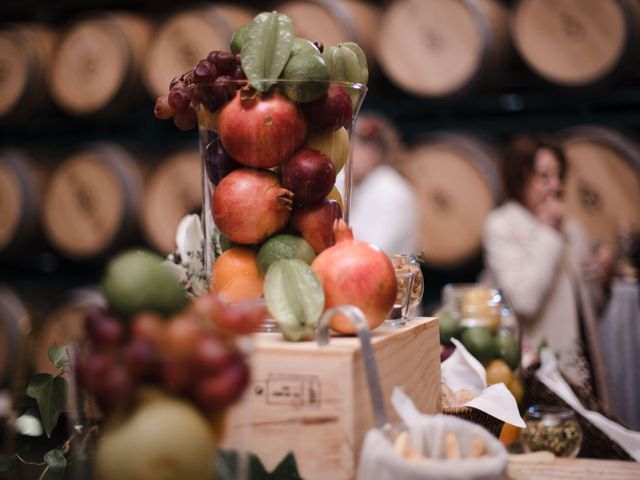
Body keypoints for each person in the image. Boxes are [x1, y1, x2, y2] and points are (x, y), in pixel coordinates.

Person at [481, 133, 611, 407]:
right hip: (534, 368)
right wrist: (547, 234)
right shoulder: (502, 225)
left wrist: (599, 277)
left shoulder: (572, 228)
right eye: (544, 177)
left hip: (579, 362)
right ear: (520, 179)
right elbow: (525, 300)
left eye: (559, 176)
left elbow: (589, 308)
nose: (556, 186)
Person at [346, 112, 418, 254]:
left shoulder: (388, 189)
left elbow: (372, 252)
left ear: (372, 150)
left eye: (351, 147)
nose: (346, 156)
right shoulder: (370, 185)